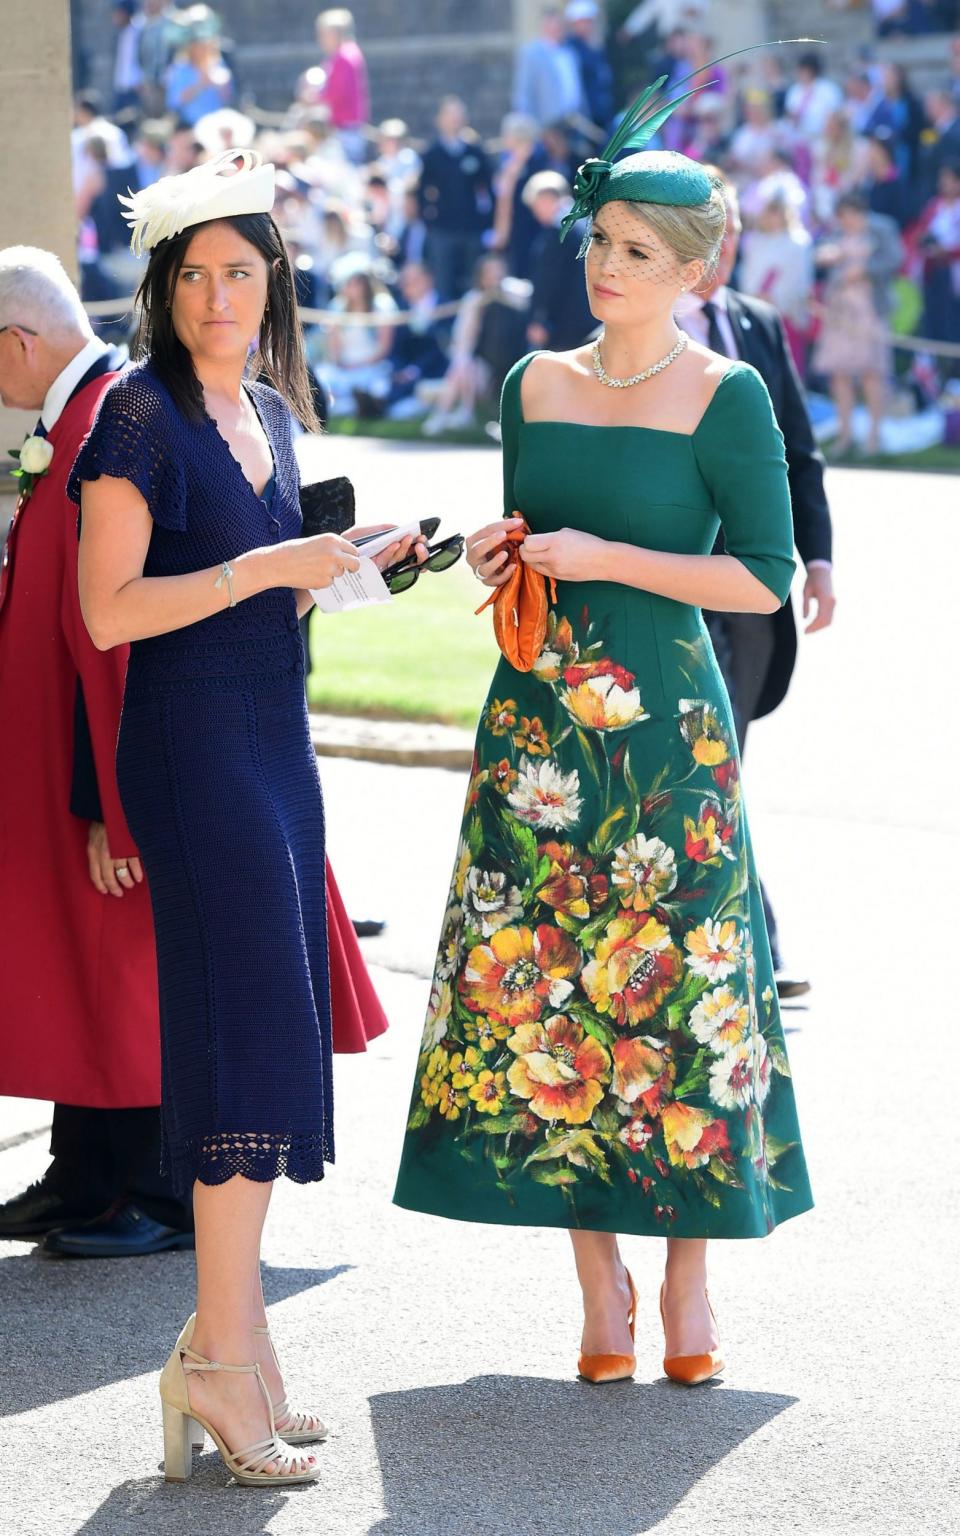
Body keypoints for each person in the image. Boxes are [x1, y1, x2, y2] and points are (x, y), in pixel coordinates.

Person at [394, 126, 813, 1386]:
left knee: (681, 990)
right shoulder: (530, 380)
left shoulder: (725, 394)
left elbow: (764, 572)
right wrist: (500, 550)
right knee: (548, 986)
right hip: (538, 723)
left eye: (637, 252)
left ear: (695, 271)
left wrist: (616, 558)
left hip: (673, 736)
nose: (607, 267)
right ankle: (597, 1280)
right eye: (600, 244)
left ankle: (688, 1271)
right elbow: (534, 533)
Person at [70, 149, 424, 1487]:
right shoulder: (136, 420)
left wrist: (347, 565)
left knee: (268, 1032)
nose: (222, 290)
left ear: (274, 276)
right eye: (196, 272)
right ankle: (220, 1363)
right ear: (161, 289)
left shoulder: (268, 408)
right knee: (240, 1031)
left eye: (243, 267)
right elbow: (109, 612)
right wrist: (262, 565)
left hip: (273, 734)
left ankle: (237, 1343)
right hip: (189, 745)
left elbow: (263, 588)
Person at [0, 246, 194, 1258]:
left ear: (19, 341)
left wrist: (116, 805)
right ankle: (84, 1178)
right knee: (87, 973)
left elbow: (116, 642)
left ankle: (158, 1198)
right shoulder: (76, 424)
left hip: (106, 769)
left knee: (128, 975)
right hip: (62, 764)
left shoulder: (109, 429)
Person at [677, 171, 834, 996]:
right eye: (712, 235)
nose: (724, 253)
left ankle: (737, 943)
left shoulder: (756, 324)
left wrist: (820, 558)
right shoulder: (631, 327)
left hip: (757, 589)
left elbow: (796, 449)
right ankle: (749, 946)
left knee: (722, 762)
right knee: (712, 763)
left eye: (732, 235)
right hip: (673, 585)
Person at [812, 191, 903, 456]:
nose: (846, 222)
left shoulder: (882, 227)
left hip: (870, 307)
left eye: (849, 216)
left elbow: (895, 258)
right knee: (839, 372)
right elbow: (819, 254)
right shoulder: (836, 232)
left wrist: (864, 269)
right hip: (840, 309)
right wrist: (827, 256)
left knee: (872, 372)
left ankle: (874, 436)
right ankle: (845, 434)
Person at [419, 96, 494, 301]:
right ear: (440, 119)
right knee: (444, 280)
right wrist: (430, 220)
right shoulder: (432, 154)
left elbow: (489, 188)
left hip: (471, 228)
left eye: (458, 115)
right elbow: (422, 191)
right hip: (442, 229)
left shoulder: (475, 151)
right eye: (450, 115)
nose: (454, 120)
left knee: (473, 280)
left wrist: (486, 221)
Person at [524, 170, 596, 351]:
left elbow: (549, 281)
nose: (534, 214)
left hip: (566, 325)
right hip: (592, 318)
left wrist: (538, 319)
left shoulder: (560, 232)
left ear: (546, 199)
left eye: (535, 206)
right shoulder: (586, 223)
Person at [513, 5, 586, 127]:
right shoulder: (531, 53)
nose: (556, 28)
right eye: (552, 24)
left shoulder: (569, 53)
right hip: (547, 125)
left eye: (559, 24)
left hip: (574, 121)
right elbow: (524, 92)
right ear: (544, 26)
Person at [314, 8, 370, 165]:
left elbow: (338, 93)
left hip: (344, 129)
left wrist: (313, 99)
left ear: (335, 33)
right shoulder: (346, 54)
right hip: (345, 127)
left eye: (324, 34)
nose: (321, 39)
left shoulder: (344, 56)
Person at [565, 1, 615, 132]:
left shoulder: (594, 46)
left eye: (589, 21)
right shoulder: (570, 48)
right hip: (585, 115)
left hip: (601, 112)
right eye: (583, 21)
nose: (587, 26)